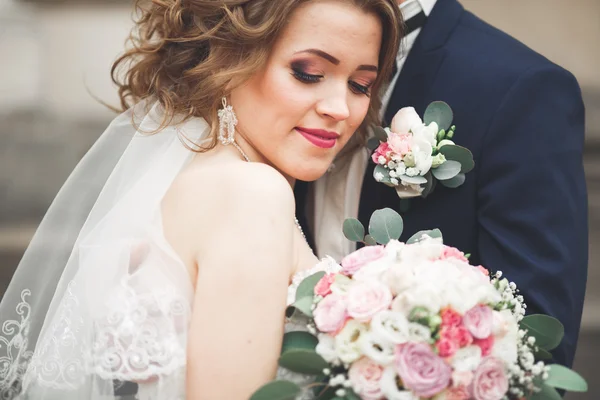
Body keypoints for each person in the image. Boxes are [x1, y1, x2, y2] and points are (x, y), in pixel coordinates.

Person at [0, 1, 403, 398]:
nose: (339, 109)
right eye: (308, 73)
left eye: (360, 85)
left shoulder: (189, 179)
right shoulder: (251, 195)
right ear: (229, 63)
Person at [296, 0, 588, 368]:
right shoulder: (275, 51)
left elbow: (535, 349)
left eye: (359, 85)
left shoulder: (523, 87)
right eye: (306, 73)